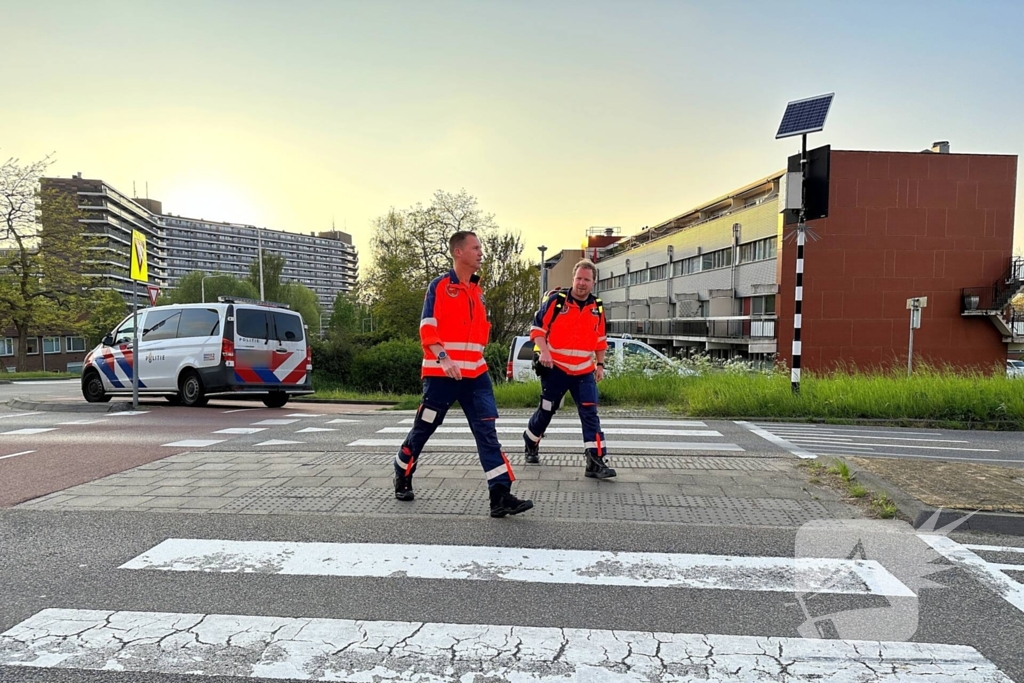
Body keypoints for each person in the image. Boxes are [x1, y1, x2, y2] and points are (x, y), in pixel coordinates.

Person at [394, 230, 534, 518]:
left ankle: (500, 495)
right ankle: (402, 469)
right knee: (424, 429)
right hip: (441, 375)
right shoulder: (440, 287)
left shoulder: (478, 292)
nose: (481, 252)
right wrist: (443, 358)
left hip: (476, 376)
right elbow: (427, 327)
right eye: (475, 247)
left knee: (487, 432)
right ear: (458, 252)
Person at [523, 259, 615, 479]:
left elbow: (601, 340)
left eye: (587, 279)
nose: (582, 283)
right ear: (573, 278)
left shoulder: (598, 308)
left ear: (593, 282)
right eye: (578, 278)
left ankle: (595, 460)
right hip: (556, 368)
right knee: (546, 410)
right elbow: (536, 330)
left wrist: (600, 365)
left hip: (584, 371)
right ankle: (530, 440)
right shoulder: (557, 302)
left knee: (590, 413)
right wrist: (544, 352)